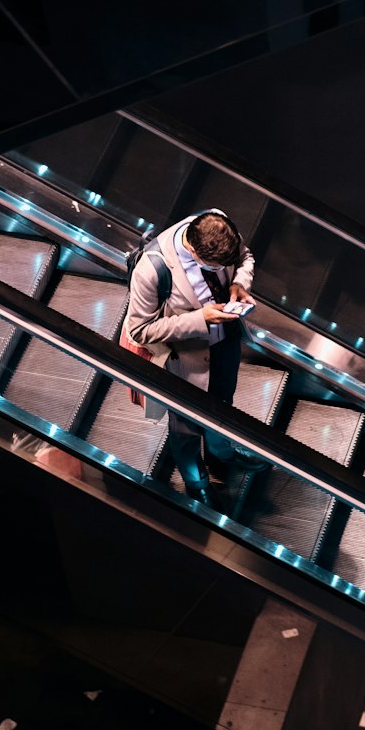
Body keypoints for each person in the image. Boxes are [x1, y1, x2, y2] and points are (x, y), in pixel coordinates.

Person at [124, 208, 267, 506]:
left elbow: (245, 256)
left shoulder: (218, 224)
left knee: (223, 405)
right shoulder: (152, 270)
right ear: (194, 251)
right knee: (185, 429)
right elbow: (140, 330)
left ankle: (221, 453)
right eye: (213, 267)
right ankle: (196, 482)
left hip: (225, 344)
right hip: (184, 363)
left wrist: (240, 283)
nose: (218, 272)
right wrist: (199, 319)